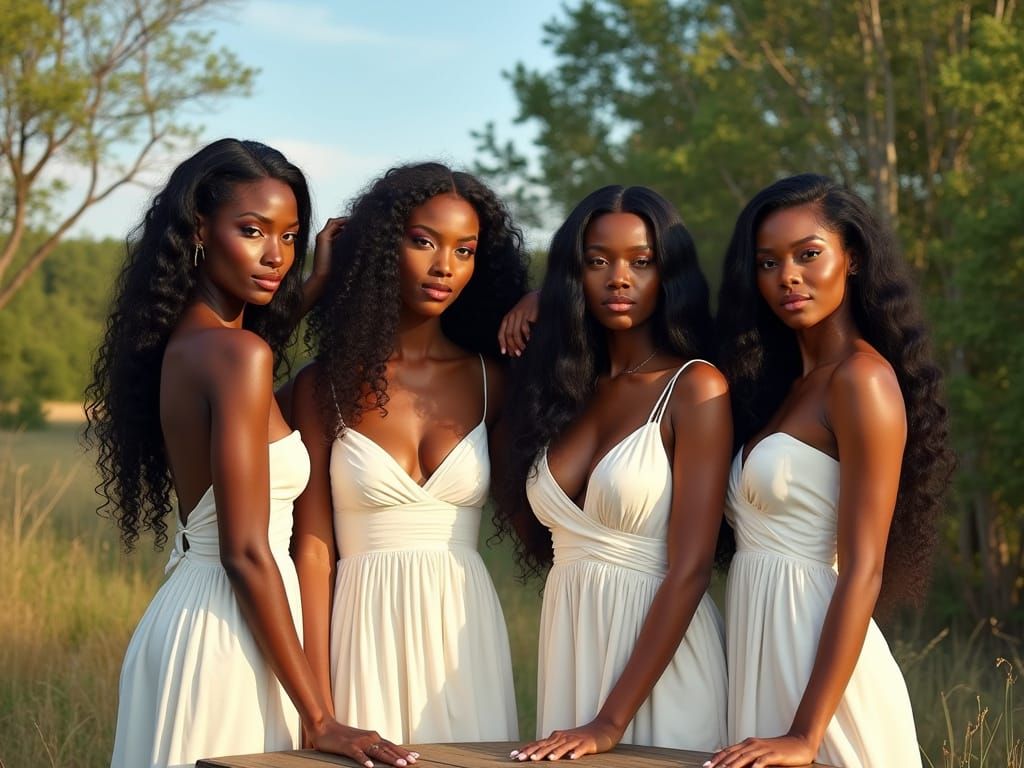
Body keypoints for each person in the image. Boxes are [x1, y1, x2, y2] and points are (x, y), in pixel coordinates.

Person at [85, 139, 413, 768]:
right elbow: (244, 550)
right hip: (228, 636)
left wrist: (314, 285)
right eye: (253, 231)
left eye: (290, 237)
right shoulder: (238, 357)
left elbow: (252, 364)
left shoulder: (192, 341)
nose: (275, 256)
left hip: (197, 617)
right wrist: (322, 719)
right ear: (201, 231)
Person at [707, 174, 954, 768]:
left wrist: (806, 733)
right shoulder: (780, 386)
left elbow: (863, 570)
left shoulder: (862, 382)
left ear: (854, 259)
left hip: (821, 675)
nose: (787, 276)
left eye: (808, 254)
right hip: (760, 646)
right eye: (768, 262)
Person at [290, 161, 528, 744]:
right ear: (379, 248)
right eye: (423, 242)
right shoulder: (324, 386)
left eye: (465, 250)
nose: (445, 266)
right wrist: (319, 712)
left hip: (463, 633)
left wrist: (555, 298)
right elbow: (314, 553)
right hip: (359, 627)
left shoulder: (492, 379)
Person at [495, 185, 730, 759]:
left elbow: (692, 569)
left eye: (640, 262)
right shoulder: (567, 390)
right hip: (572, 648)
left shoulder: (695, 387)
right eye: (597, 261)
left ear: (668, 273)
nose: (618, 278)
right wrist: (542, 302)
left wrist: (608, 722)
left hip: (660, 665)